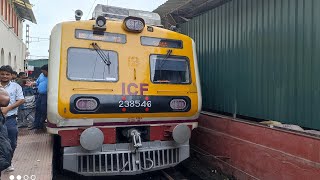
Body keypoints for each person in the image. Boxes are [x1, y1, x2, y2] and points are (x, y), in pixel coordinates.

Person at [0, 65, 25, 172]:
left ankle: (8, 162)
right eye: (2, 74)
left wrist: (7, 109)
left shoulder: (16, 87)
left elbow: (21, 100)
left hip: (10, 119)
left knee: (12, 142)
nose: (5, 76)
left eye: (7, 74)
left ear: (11, 76)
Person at [29, 65, 48, 130]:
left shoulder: (53, 76)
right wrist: (32, 83)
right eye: (42, 72)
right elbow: (37, 82)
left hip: (47, 96)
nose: (43, 73)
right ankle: (36, 124)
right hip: (40, 95)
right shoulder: (41, 75)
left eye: (44, 71)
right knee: (37, 109)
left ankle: (41, 124)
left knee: (43, 110)